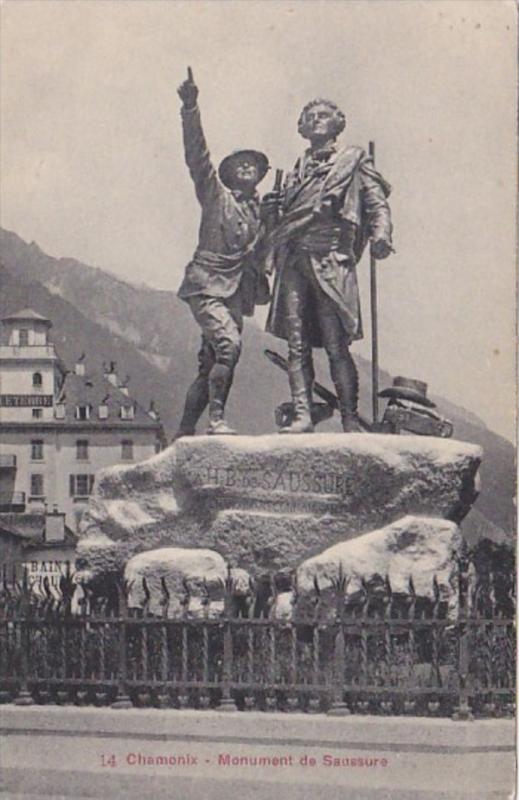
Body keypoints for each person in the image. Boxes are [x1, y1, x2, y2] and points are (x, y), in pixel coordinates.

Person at [262, 98, 393, 433]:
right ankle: (303, 415)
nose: (317, 121)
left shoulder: (353, 160)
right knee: (296, 343)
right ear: (302, 128)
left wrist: (381, 235)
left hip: (332, 259)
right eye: (310, 118)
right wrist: (273, 211)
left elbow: (376, 203)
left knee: (336, 344)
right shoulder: (296, 169)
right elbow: (285, 221)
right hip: (293, 260)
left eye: (324, 116)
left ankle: (349, 417)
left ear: (338, 123)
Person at [174, 68, 270, 437]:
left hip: (235, 291)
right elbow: (197, 156)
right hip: (206, 284)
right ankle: (216, 420)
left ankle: (183, 431)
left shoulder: (260, 210)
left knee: (210, 362)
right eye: (239, 163)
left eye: (254, 164)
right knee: (229, 346)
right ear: (228, 174)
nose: (248, 166)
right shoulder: (216, 197)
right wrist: (190, 108)